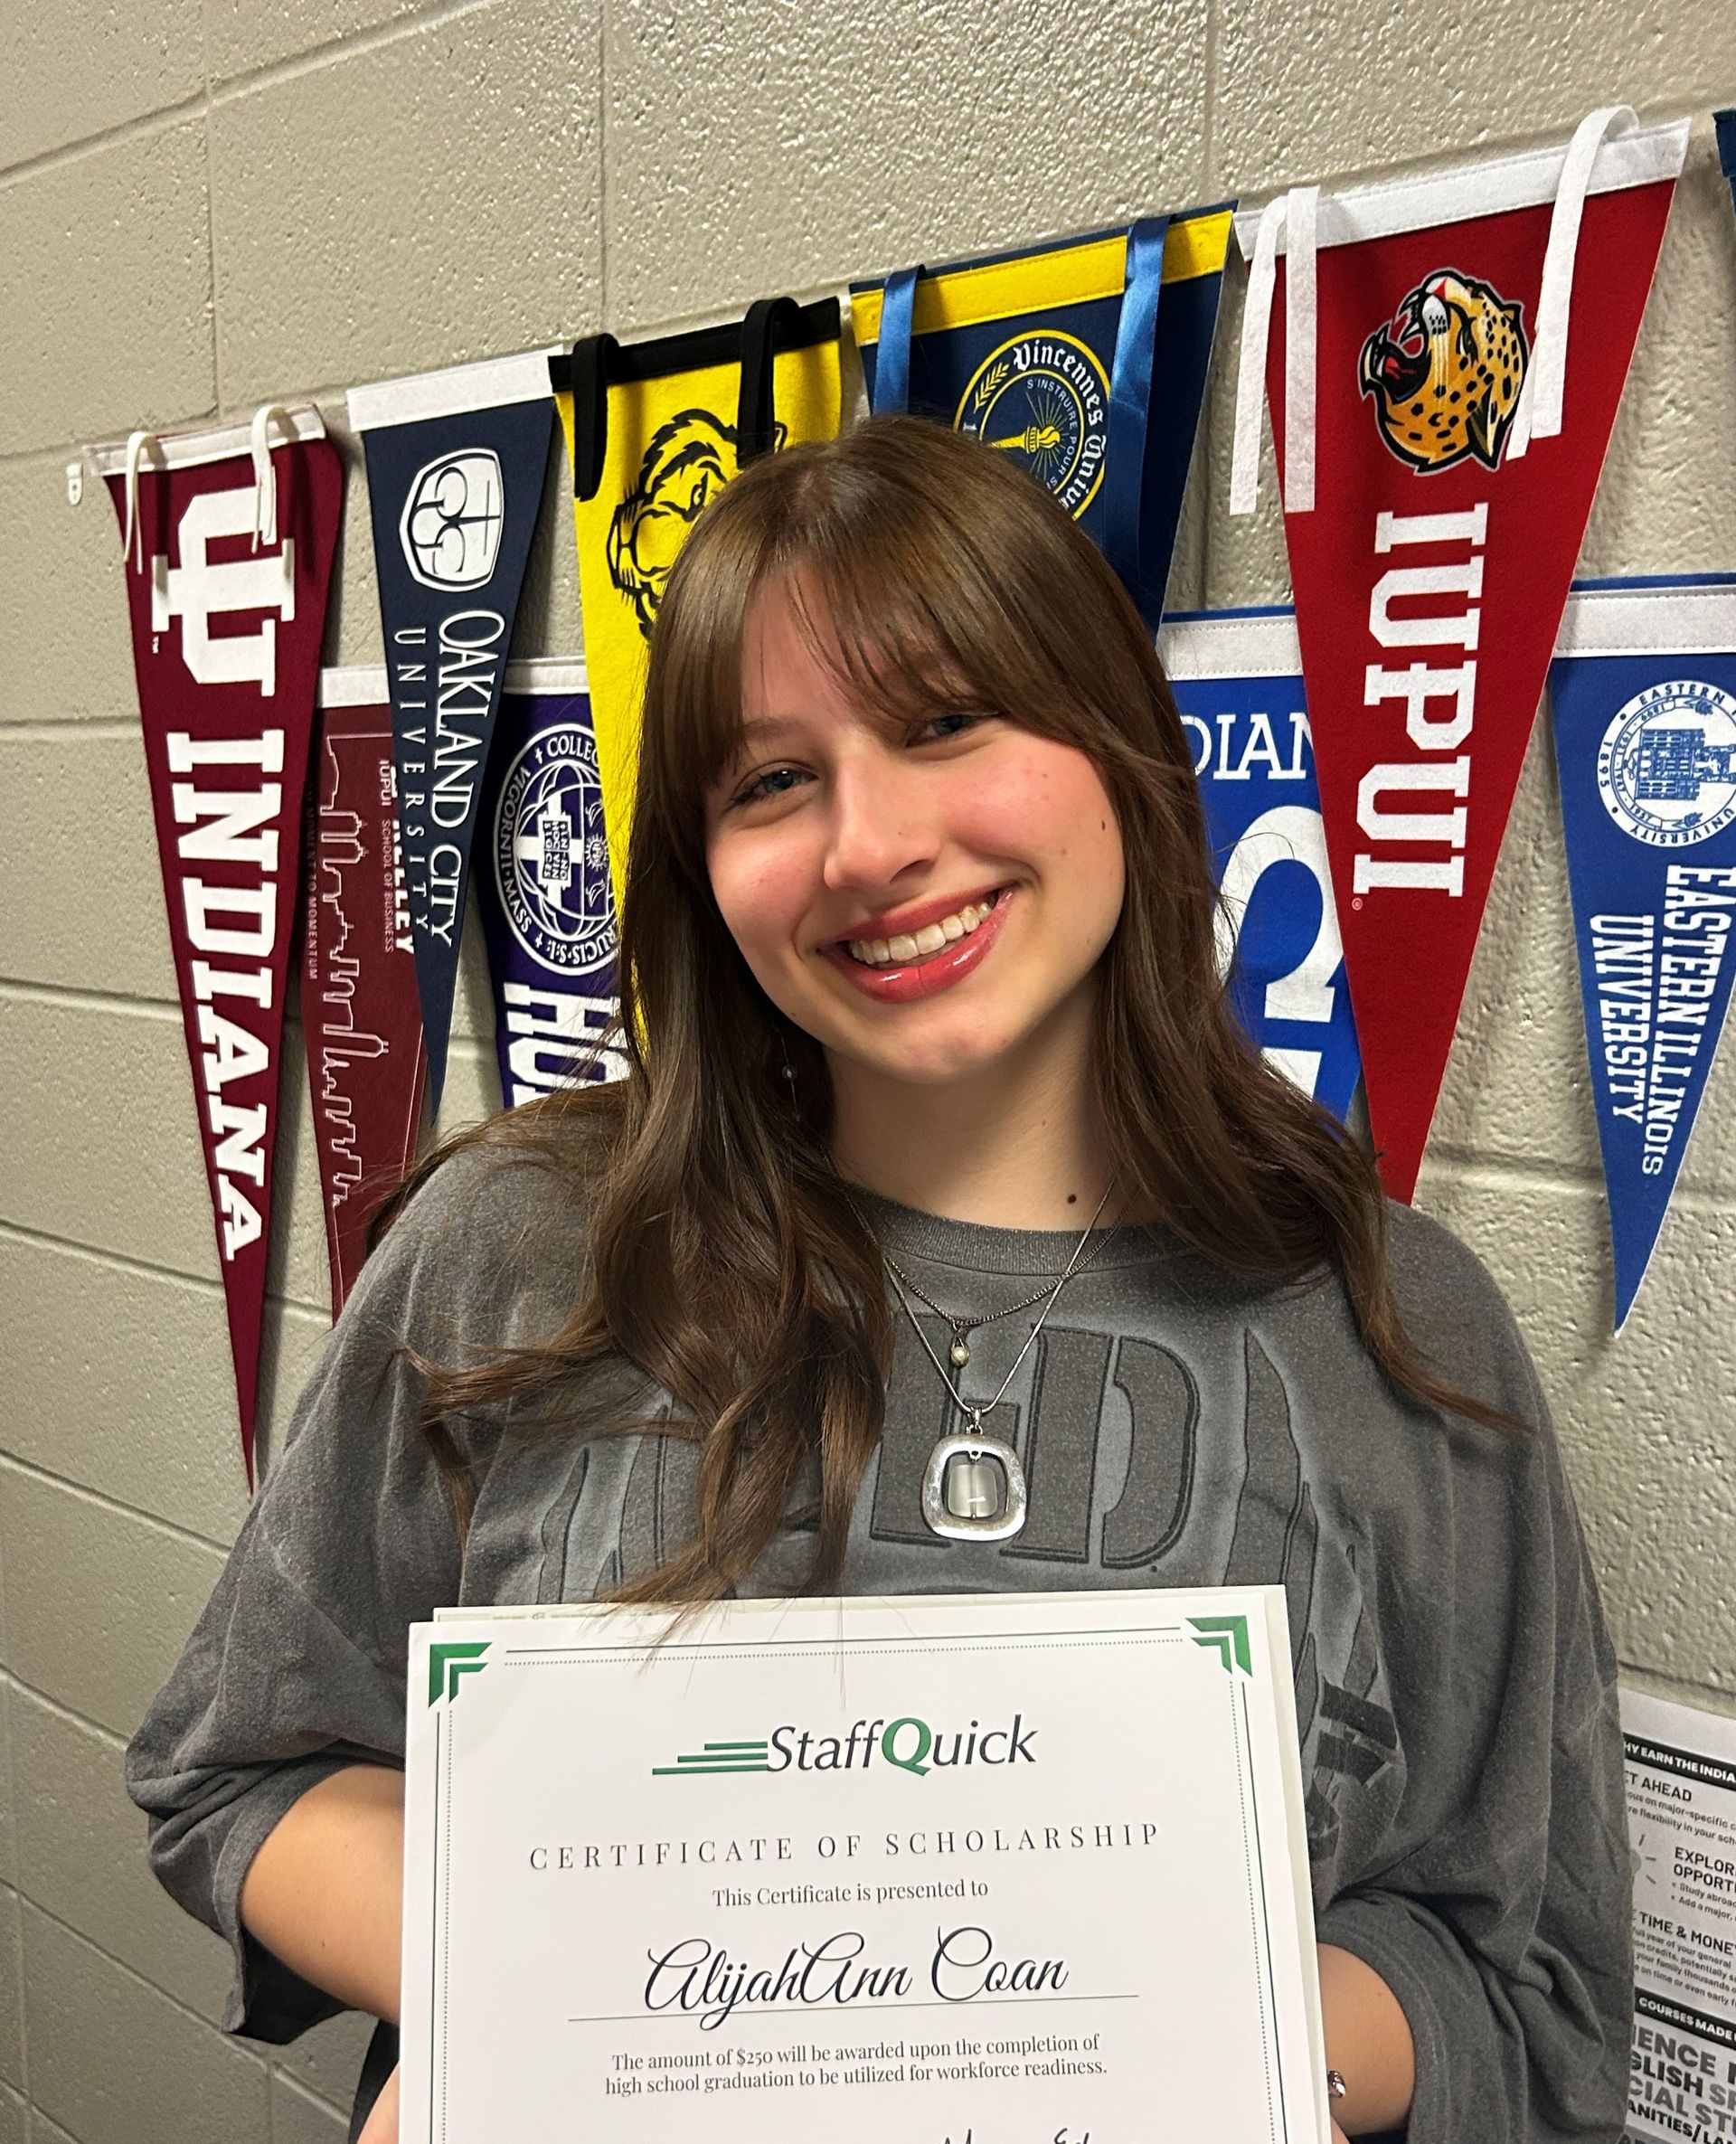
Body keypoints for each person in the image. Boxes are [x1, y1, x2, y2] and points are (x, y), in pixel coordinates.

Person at [126, 417, 1634, 2144]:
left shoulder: (1391, 1325)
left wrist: (1144, 2034)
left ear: (1118, 750)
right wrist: (554, 2007)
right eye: (771, 781)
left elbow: (1531, 1990)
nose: (869, 844)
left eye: (943, 723)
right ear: (703, 865)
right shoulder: (526, 1247)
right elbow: (241, 1768)